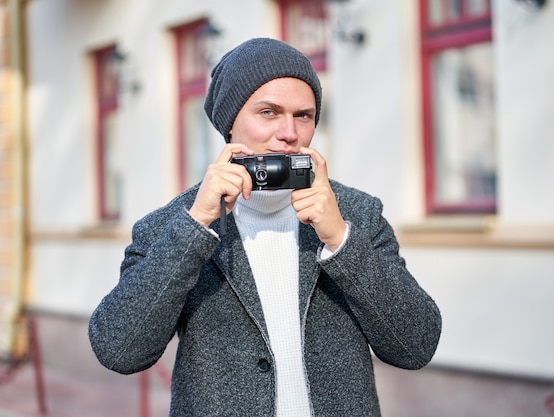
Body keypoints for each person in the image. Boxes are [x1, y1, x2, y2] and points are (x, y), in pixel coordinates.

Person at [88, 37, 441, 417]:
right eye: (269, 112)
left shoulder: (356, 214)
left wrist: (341, 242)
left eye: (303, 115)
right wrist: (195, 228)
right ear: (230, 122)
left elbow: (415, 346)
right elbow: (118, 350)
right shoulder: (172, 225)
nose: (289, 132)